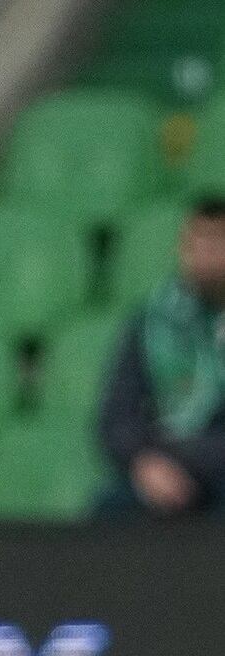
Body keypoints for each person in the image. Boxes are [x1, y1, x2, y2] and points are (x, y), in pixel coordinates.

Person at [99, 195, 225, 516]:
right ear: (181, 248)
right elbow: (116, 418)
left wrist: (189, 461)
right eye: (197, 242)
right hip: (162, 470)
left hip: (212, 471)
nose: (206, 253)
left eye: (218, 242)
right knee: (107, 511)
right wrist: (144, 463)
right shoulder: (151, 324)